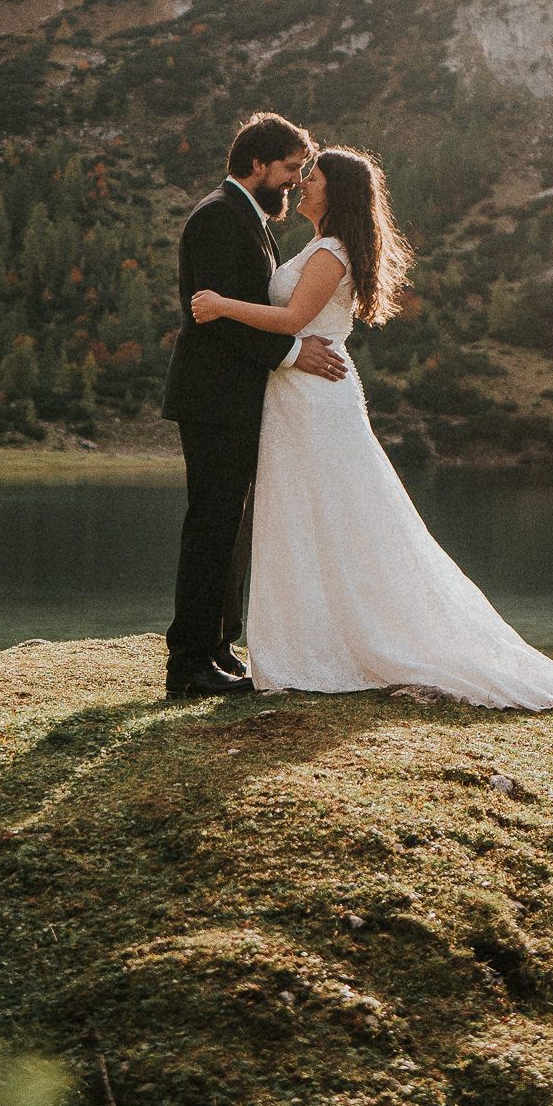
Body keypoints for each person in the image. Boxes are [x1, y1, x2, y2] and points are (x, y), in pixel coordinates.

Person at [191, 146, 553, 711]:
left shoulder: (330, 250)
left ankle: (335, 643)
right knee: (304, 515)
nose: (303, 184)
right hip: (297, 395)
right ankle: (308, 639)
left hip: (314, 398)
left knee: (330, 513)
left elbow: (291, 320)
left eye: (314, 177)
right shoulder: (320, 244)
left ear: (336, 192)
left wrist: (220, 304)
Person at [156, 113, 350, 700]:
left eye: (301, 172)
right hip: (213, 395)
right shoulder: (219, 217)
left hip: (235, 395)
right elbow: (211, 316)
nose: (296, 181)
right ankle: (188, 663)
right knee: (211, 523)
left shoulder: (249, 218)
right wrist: (293, 350)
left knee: (230, 526)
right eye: (290, 169)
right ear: (258, 164)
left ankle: (217, 647)